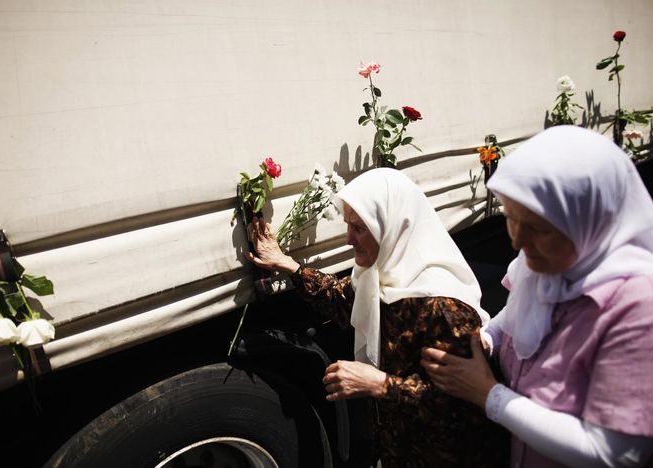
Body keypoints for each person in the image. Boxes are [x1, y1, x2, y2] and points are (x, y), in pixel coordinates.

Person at [420, 126, 653, 467]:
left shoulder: (636, 306)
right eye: (510, 220)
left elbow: (617, 454)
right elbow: (513, 315)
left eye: (540, 229)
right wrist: (486, 338)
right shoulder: (540, 267)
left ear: (593, 220)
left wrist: (490, 395)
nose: (517, 242)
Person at [246, 168, 509, 467]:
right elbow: (343, 299)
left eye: (359, 229)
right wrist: (289, 266)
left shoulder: (444, 307)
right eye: (348, 226)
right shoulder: (381, 274)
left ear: (391, 226)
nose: (348, 239)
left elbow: (462, 404)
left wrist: (381, 384)